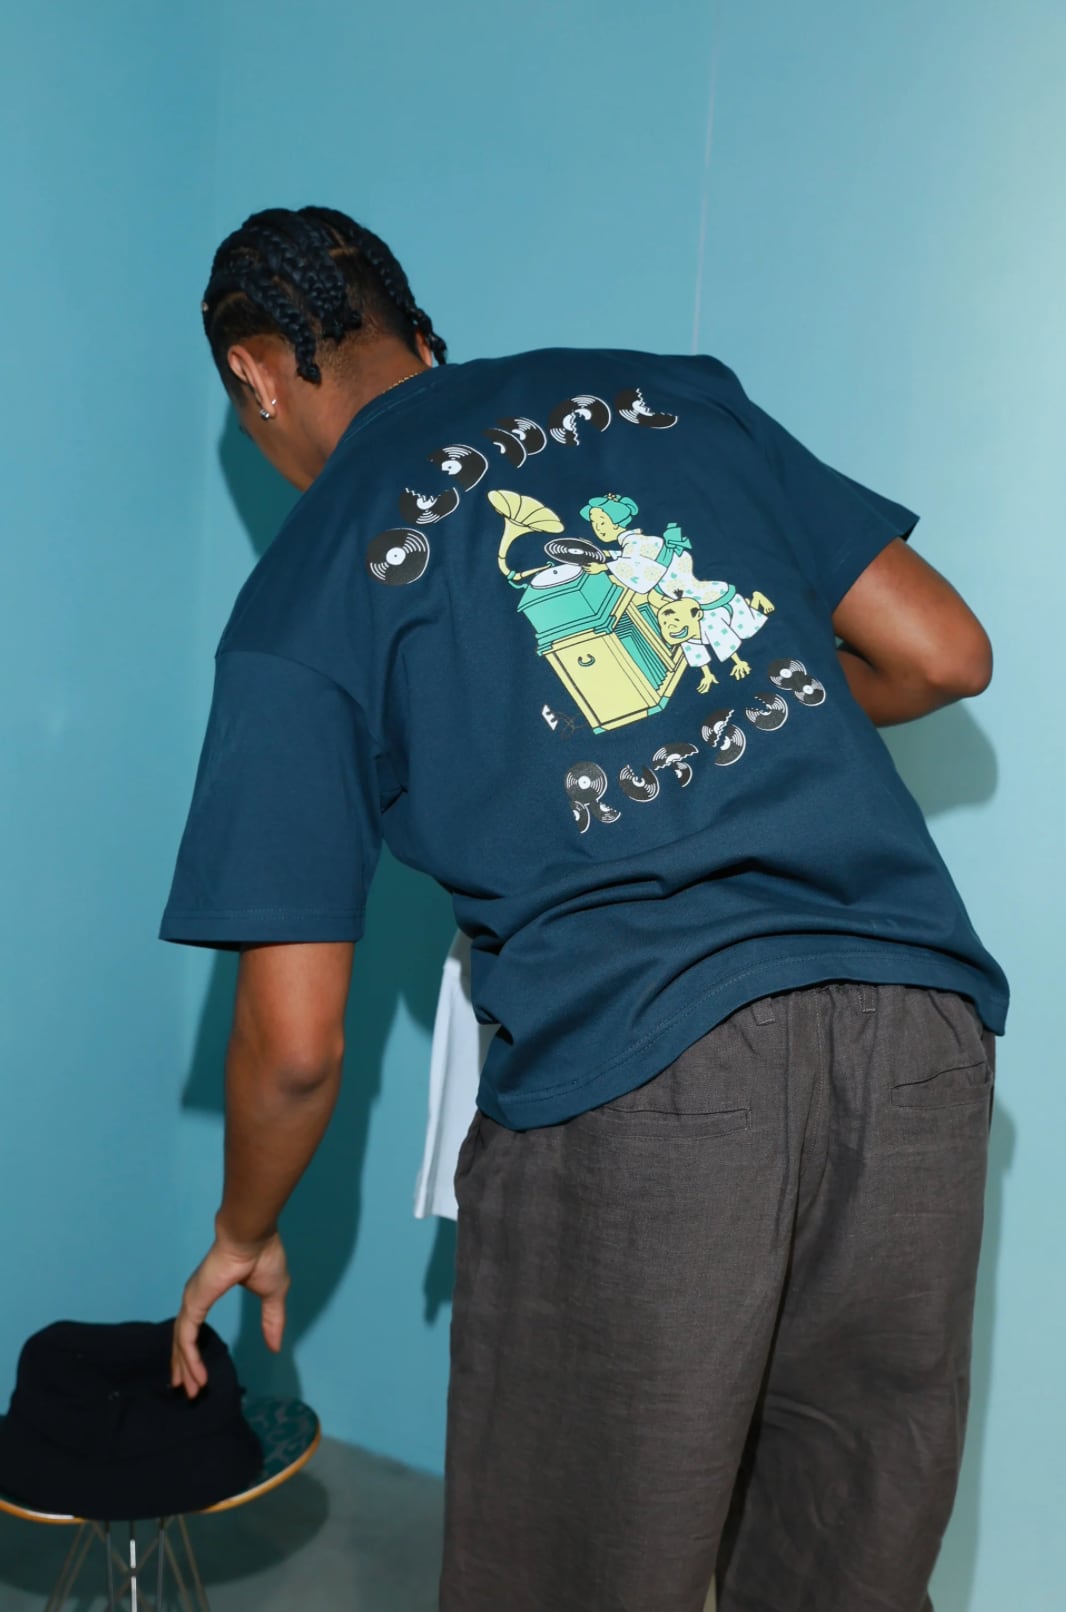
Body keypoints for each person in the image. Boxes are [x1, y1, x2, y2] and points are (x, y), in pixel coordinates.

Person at [163, 205, 1008, 1612]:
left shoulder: (303, 595)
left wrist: (245, 1227)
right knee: (844, 1569)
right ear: (417, 330)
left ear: (253, 374)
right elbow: (942, 653)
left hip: (645, 1077)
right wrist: (747, 736)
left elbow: (296, 1044)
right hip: (916, 1028)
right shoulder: (668, 395)